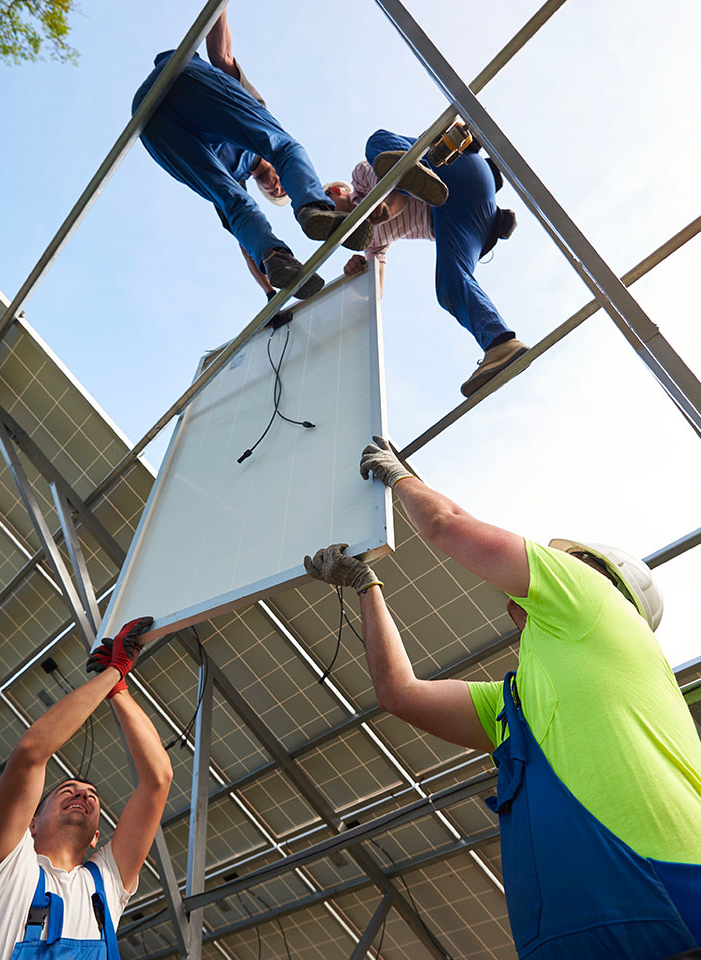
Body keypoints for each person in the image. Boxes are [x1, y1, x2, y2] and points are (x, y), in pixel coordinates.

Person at [304, 438, 701, 960]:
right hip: (566, 936)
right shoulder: (514, 706)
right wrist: (365, 584)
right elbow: (400, 694)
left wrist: (401, 480)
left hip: (663, 903)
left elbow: (448, 526)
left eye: (570, 564)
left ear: (598, 576)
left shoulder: (596, 601)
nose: (549, 570)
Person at [132, 10, 373, 306]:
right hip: (184, 79)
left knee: (235, 205)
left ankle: (277, 257)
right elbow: (222, 56)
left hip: (152, 122)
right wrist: (218, 8)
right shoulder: (256, 110)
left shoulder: (238, 179)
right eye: (284, 186)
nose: (277, 189)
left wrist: (271, 293)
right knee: (286, 147)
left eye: (277, 195)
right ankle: (313, 207)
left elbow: (244, 242)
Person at [0, 617, 173, 960]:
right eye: (66, 791)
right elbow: (30, 754)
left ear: (97, 836)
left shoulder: (107, 882)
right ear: (30, 824)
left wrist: (119, 690)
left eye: (92, 797)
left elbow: (158, 780)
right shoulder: (6, 865)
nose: (83, 795)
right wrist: (113, 672)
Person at [327, 129, 528, 396]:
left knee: (377, 144)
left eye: (326, 211)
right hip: (467, 220)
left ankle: (421, 168)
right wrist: (360, 275)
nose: (330, 223)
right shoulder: (371, 241)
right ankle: (500, 343)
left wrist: (386, 210)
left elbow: (401, 189)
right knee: (448, 286)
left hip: (455, 171)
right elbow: (376, 290)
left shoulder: (360, 178)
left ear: (336, 191)